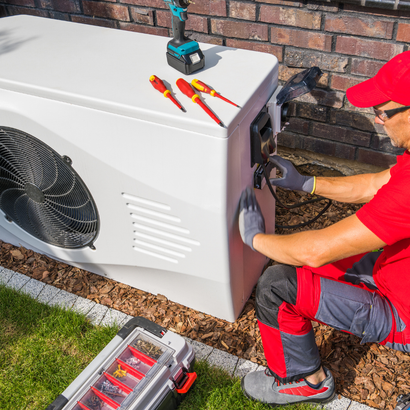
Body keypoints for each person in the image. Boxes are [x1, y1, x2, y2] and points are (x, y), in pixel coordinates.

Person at [238, 50, 410, 407]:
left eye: (383, 111)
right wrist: (306, 183)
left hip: (403, 312)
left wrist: (254, 238)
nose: (377, 121)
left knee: (276, 285)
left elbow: (313, 250)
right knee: (315, 265)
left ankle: (304, 381)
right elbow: (375, 184)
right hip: (395, 272)